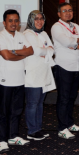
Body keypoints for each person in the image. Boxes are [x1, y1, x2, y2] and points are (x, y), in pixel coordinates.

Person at [0, 9, 34, 151]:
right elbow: (6, 56)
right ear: (4, 22)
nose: (13, 23)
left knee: (17, 110)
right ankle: (1, 139)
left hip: (20, 79)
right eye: (10, 20)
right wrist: (21, 53)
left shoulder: (21, 35)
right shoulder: (0, 36)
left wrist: (14, 51)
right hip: (4, 80)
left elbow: (30, 50)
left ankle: (13, 136)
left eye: (16, 20)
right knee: (3, 112)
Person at [51, 2, 79, 139]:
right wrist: (76, 40)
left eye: (70, 10)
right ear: (59, 14)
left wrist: (75, 43)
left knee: (72, 97)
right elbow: (66, 42)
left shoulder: (76, 26)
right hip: (64, 67)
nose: (68, 13)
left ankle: (69, 123)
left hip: (77, 67)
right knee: (64, 98)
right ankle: (62, 128)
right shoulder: (56, 27)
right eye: (64, 11)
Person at [23, 10, 55, 141]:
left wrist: (45, 51)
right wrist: (46, 51)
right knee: (32, 103)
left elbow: (52, 50)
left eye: (41, 18)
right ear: (31, 20)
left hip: (43, 72)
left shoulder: (44, 33)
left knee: (40, 102)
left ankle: (38, 128)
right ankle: (31, 131)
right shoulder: (27, 33)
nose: (39, 21)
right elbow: (36, 51)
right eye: (36, 19)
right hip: (33, 72)